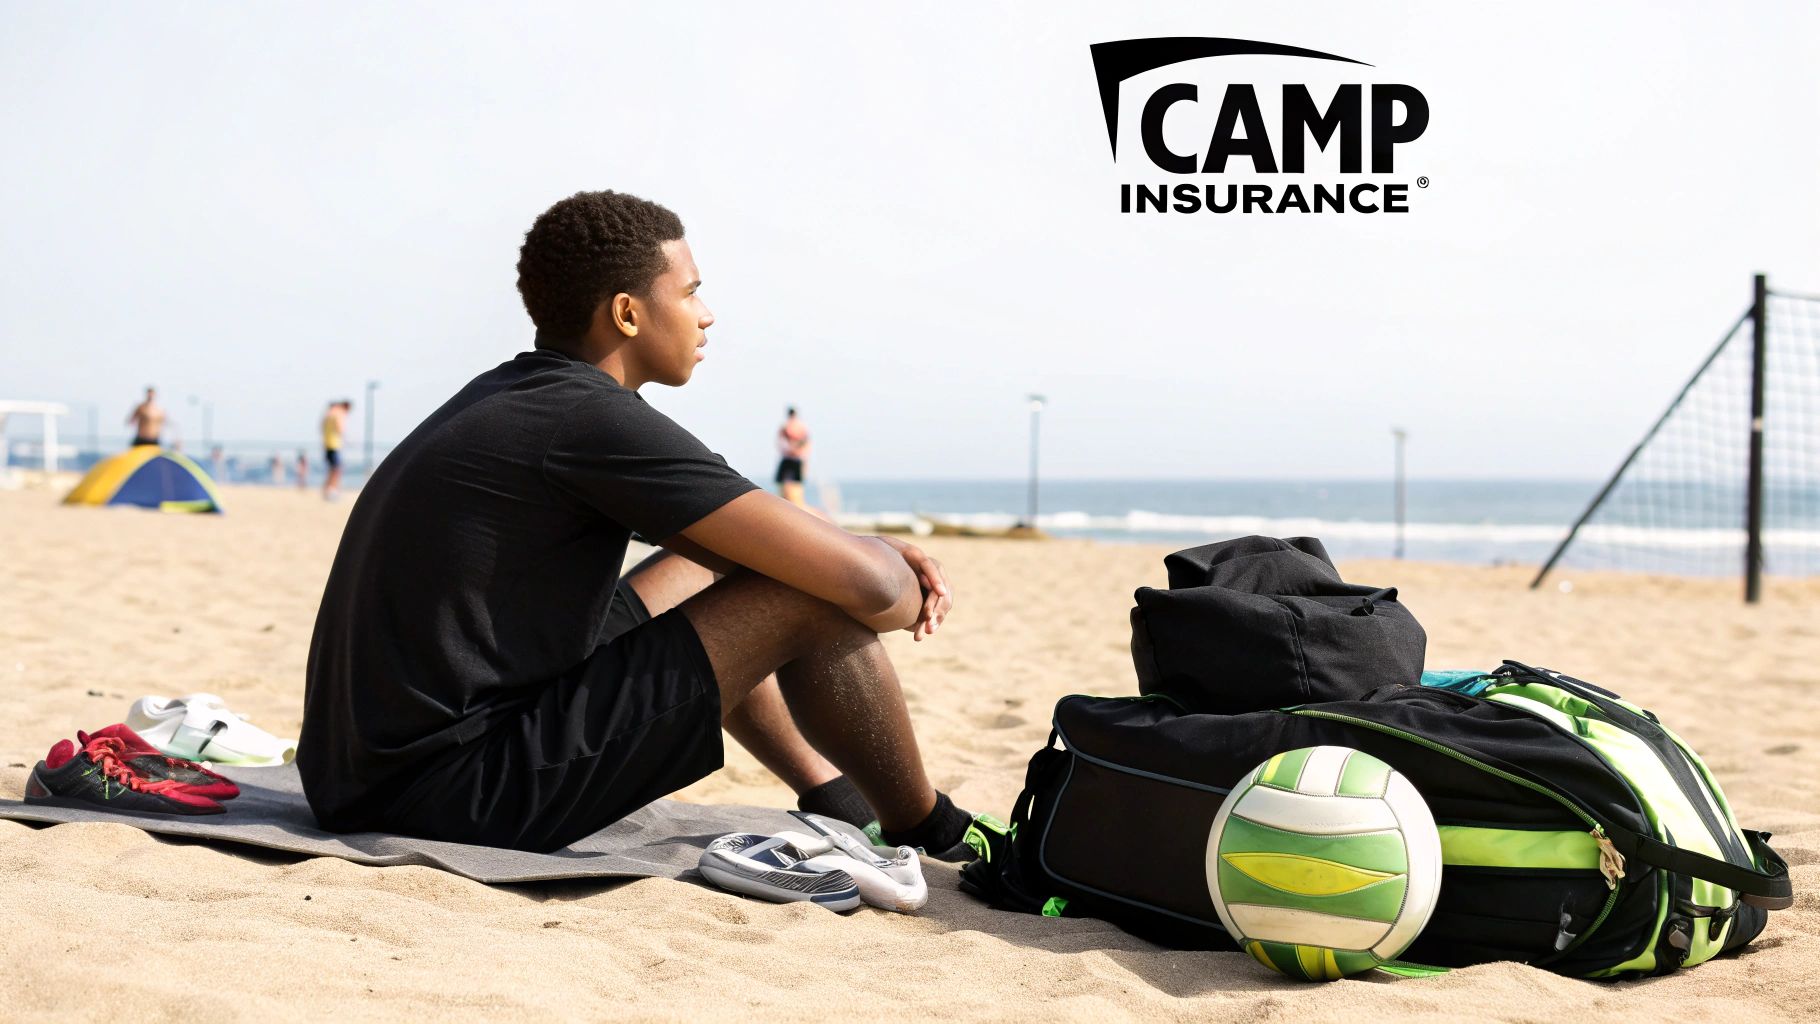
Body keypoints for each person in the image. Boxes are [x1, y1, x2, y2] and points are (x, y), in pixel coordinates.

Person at [299, 191, 993, 860]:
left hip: (363, 777)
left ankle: (830, 792)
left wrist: (843, 547)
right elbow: (877, 591)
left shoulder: (520, 395)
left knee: (753, 561)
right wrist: (883, 561)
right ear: (628, 314)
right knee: (806, 591)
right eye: (690, 293)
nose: (707, 315)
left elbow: (764, 546)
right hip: (450, 793)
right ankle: (928, 826)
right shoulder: (592, 420)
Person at [775, 407, 810, 507]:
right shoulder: (797, 427)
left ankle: (792, 505)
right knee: (788, 486)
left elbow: (780, 443)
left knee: (793, 486)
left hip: (793, 458)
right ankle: (789, 504)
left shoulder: (790, 427)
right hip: (793, 458)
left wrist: (795, 451)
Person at [321, 400, 352, 500]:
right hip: (334, 445)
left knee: (332, 469)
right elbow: (340, 428)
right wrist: (347, 439)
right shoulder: (338, 413)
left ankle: (327, 490)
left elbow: (321, 428)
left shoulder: (328, 415)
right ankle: (332, 490)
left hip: (328, 445)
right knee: (336, 469)